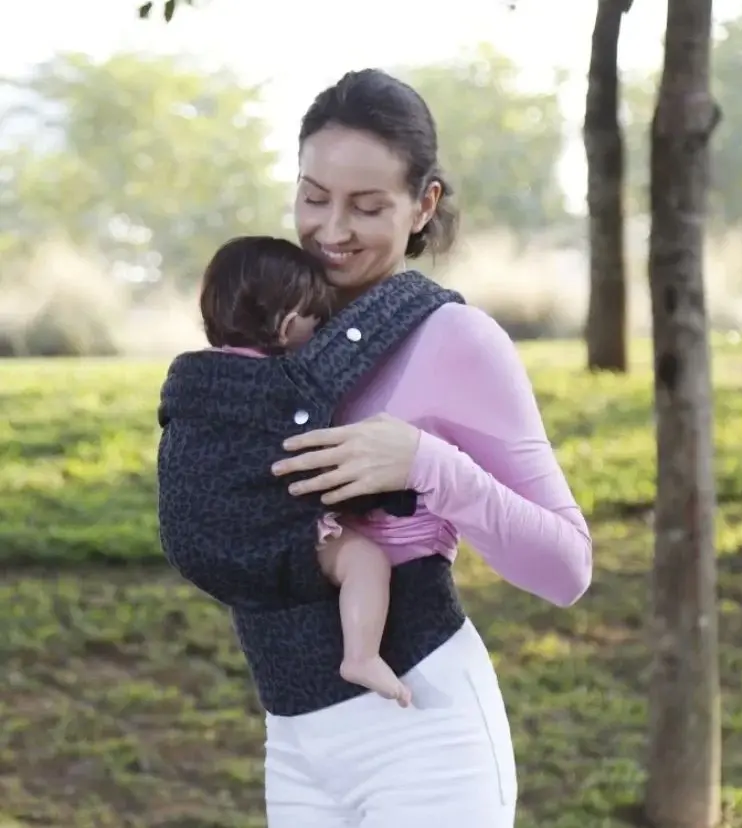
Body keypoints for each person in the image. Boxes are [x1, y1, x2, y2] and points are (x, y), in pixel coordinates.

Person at [244, 68, 593, 827]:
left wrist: (429, 467)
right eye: (314, 197)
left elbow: (568, 569)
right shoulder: (264, 335)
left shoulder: (457, 341)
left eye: (368, 207)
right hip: (297, 736)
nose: (332, 230)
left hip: (425, 735)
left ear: (423, 205)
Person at [170, 234, 419, 706]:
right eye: (317, 319)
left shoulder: (191, 384)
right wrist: (391, 493)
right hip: (260, 542)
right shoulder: (285, 389)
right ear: (287, 327)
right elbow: (321, 464)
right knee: (364, 561)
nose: (322, 329)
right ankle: (362, 656)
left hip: (193, 545)